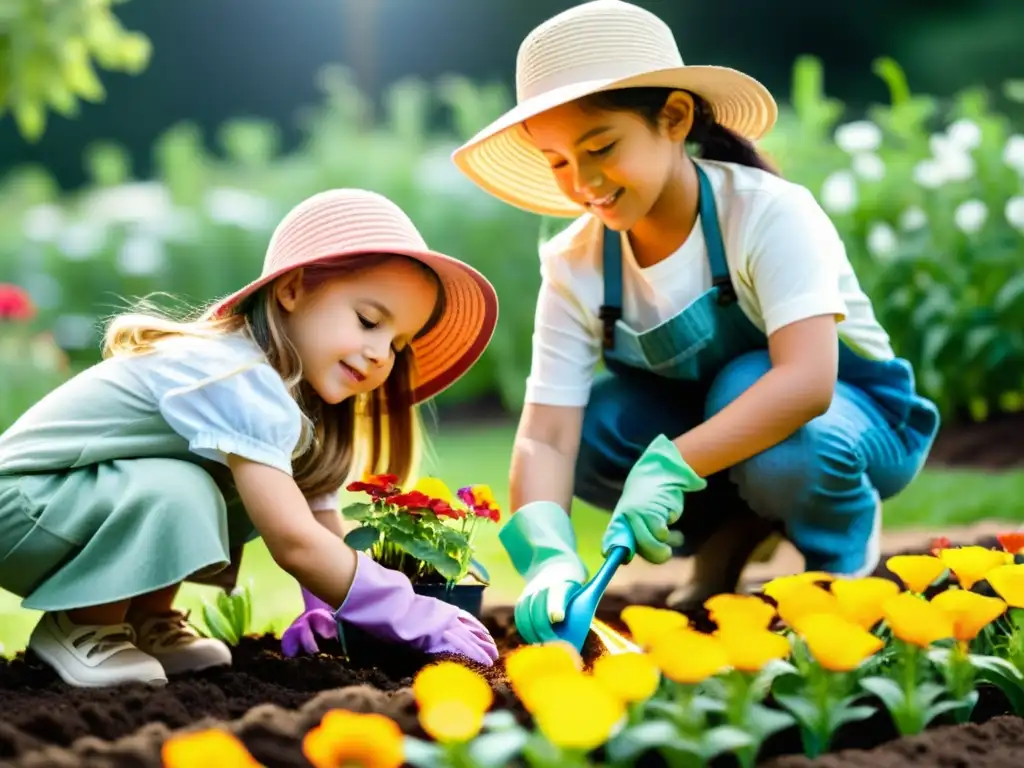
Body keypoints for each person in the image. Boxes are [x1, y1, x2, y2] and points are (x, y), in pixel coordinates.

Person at [451, 0, 940, 643]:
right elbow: (546, 437)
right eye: (559, 161)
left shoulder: (767, 214)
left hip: (855, 422)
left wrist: (670, 464)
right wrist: (548, 559)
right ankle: (729, 540)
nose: (584, 181)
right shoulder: (575, 264)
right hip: (722, 437)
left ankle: (840, 568)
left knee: (749, 387)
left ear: (675, 118)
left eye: (601, 146)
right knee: (601, 432)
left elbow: (808, 381)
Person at [0, 189, 501, 686]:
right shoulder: (237, 374)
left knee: (227, 486)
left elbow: (318, 526)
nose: (379, 354)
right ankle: (84, 625)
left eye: (396, 344)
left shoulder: (289, 405)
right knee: (182, 485)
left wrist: (331, 608)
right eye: (368, 321)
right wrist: (410, 613)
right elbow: (293, 542)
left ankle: (142, 620)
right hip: (22, 508)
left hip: (61, 512)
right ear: (292, 291)